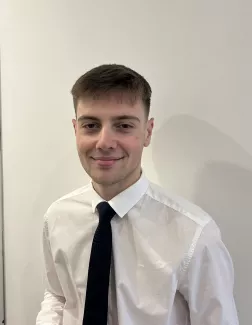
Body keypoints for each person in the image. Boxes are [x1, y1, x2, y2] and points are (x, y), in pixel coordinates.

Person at [36, 64, 239, 325]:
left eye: (123, 125)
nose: (104, 142)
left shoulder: (194, 234)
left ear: (147, 131)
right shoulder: (57, 217)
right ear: (76, 129)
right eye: (91, 125)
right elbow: (58, 295)